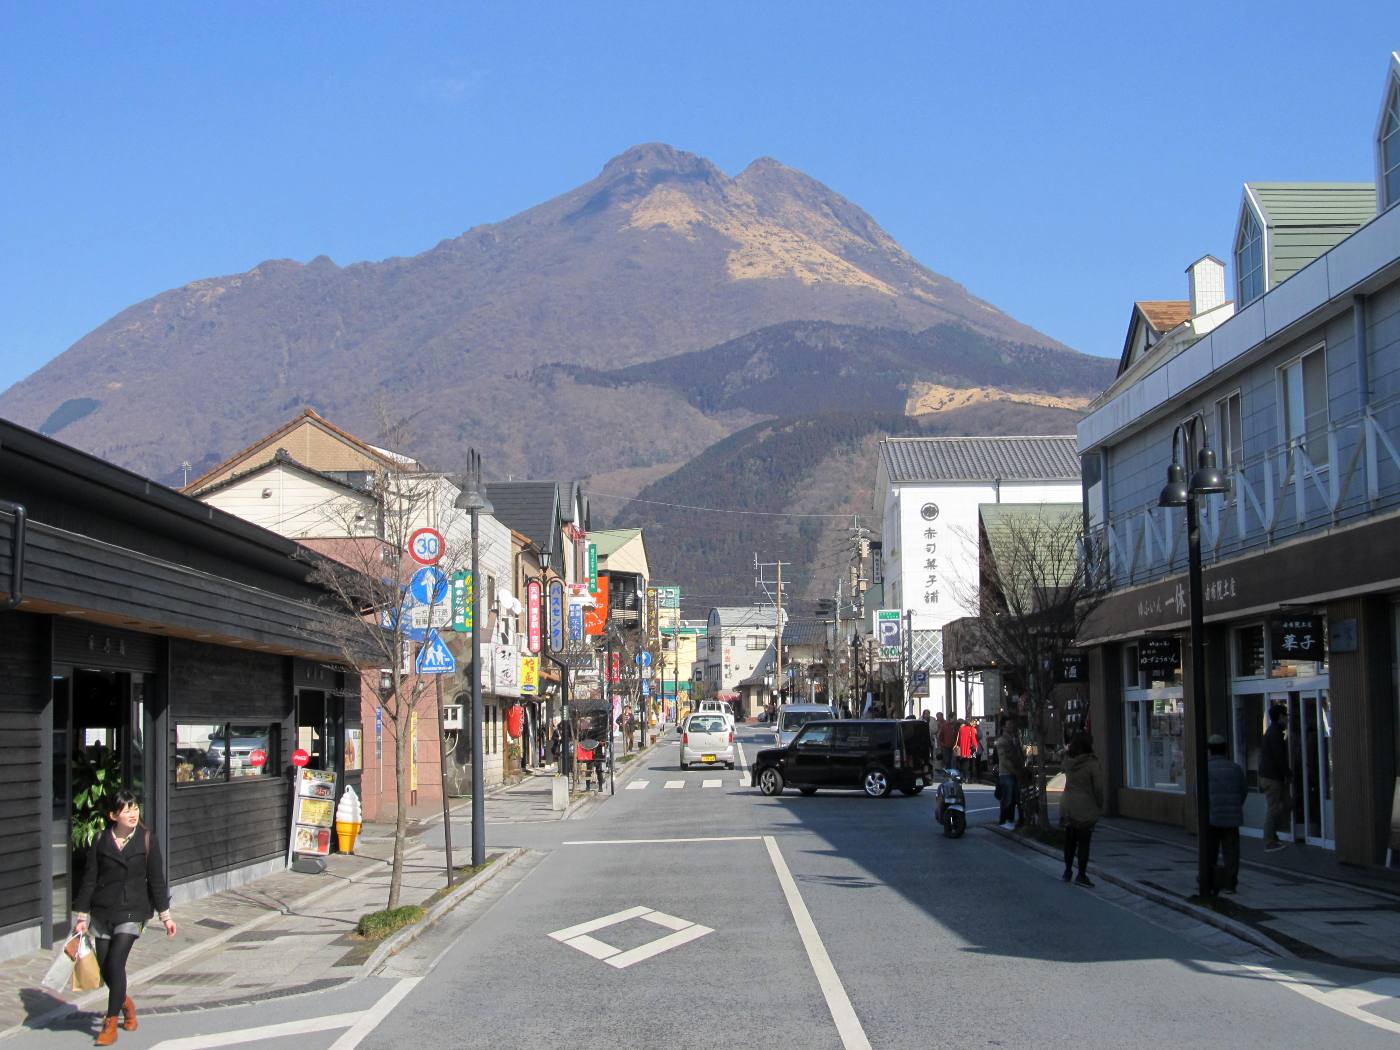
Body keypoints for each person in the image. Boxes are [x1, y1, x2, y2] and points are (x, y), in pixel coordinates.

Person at [72, 790, 176, 1046]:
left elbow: (156, 880)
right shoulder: (100, 840)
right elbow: (89, 880)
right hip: (102, 911)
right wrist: (82, 915)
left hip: (132, 909)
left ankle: (110, 1022)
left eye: (135, 808)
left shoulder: (147, 840)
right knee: (107, 968)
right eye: (127, 810)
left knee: (116, 962)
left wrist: (166, 916)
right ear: (113, 815)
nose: (133, 814)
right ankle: (126, 1003)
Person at [1059, 733, 1105, 887]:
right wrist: (1100, 803)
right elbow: (1098, 787)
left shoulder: (1068, 760)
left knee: (1069, 839)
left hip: (1068, 803)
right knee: (1084, 840)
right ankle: (1081, 874)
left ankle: (1067, 871)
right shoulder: (1092, 763)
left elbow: (1062, 767)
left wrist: (1066, 751)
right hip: (1085, 804)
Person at [1206, 733, 1248, 895]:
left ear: (1210, 751)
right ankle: (1231, 883)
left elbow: (1199, 794)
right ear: (1225, 750)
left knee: (1211, 851)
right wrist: (1235, 806)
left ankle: (1211, 882)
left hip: (1212, 816)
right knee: (1231, 852)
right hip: (1232, 817)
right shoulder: (1235, 768)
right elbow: (1243, 791)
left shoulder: (1206, 769)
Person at [1258, 705, 1291, 852]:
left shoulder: (1272, 732)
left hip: (1268, 776)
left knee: (1281, 806)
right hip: (1272, 777)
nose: (1288, 718)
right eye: (1286, 715)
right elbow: (1280, 757)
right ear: (1280, 717)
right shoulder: (1275, 734)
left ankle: (1273, 836)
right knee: (1273, 808)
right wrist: (1287, 773)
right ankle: (1269, 841)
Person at [995, 717, 1025, 828]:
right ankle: (1004, 821)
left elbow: (1019, 754)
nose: (1011, 726)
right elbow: (1004, 759)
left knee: (1016, 797)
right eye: (1009, 724)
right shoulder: (1002, 741)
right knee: (1007, 798)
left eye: (1012, 724)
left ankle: (1011, 820)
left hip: (1015, 771)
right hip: (1006, 773)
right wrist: (1015, 771)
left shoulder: (1015, 739)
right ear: (1003, 726)